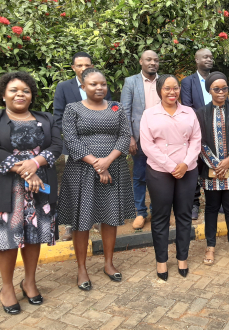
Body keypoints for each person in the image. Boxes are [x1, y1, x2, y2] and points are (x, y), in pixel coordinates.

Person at [0, 72, 63, 314]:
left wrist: (35, 164)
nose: (19, 94)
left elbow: (56, 146)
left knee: (34, 237)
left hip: (39, 189)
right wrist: (27, 171)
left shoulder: (46, 118)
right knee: (7, 239)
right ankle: (6, 288)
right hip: (5, 189)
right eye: (13, 90)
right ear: (3, 94)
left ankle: (29, 282)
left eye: (25, 90)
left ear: (32, 95)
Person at [57, 68, 135, 290]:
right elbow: (71, 140)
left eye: (103, 84)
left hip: (115, 167)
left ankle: (109, 264)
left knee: (110, 217)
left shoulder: (116, 107)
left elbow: (123, 135)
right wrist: (96, 164)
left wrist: (107, 161)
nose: (99, 87)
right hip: (81, 170)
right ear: (83, 87)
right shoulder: (73, 109)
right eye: (93, 84)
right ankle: (82, 269)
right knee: (81, 219)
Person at [140, 74, 201, 281]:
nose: (172, 92)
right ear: (160, 91)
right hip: (159, 171)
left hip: (187, 169)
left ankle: (182, 258)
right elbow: (147, 145)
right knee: (161, 217)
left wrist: (185, 164)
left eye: (175, 88)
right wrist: (171, 165)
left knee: (184, 215)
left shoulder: (189, 112)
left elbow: (196, 141)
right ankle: (162, 260)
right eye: (167, 88)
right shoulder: (149, 114)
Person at [53, 51, 111, 240]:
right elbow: (58, 115)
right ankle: (72, 225)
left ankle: (98, 218)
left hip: (102, 147)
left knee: (100, 184)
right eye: (80, 65)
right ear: (73, 68)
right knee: (76, 188)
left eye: (88, 65)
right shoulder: (64, 87)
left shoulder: (101, 84)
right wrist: (74, 138)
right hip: (75, 146)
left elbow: (107, 110)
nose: (84, 68)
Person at [196, 72, 229, 266]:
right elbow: (199, 141)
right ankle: (210, 247)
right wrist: (215, 164)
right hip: (210, 172)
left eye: (224, 88)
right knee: (211, 208)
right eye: (216, 89)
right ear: (209, 90)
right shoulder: (201, 113)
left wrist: (228, 160)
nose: (221, 92)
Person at [120, 50, 160, 230]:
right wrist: (129, 137)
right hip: (140, 136)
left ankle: (157, 210)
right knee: (139, 176)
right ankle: (140, 212)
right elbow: (125, 111)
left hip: (162, 138)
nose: (152, 62)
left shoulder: (164, 81)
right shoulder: (131, 82)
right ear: (140, 61)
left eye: (155, 60)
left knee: (160, 175)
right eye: (148, 59)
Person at [181, 48, 214, 219]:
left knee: (213, 166)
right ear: (196, 60)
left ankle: (214, 201)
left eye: (211, 57)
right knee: (195, 167)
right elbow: (187, 107)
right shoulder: (188, 82)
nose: (209, 59)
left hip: (217, 131)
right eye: (205, 57)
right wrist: (207, 122)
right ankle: (194, 202)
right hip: (196, 131)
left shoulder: (218, 79)